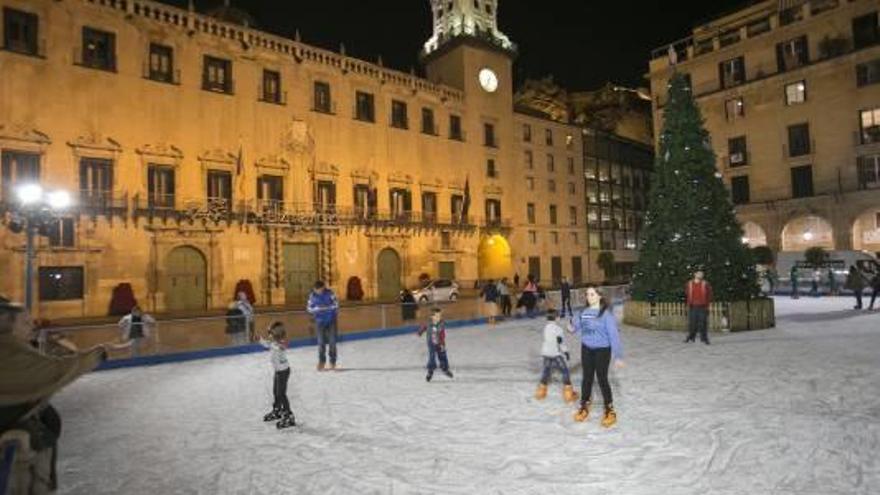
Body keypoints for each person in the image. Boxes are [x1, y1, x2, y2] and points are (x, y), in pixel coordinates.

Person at [1, 296, 106, 492]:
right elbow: (56, 371)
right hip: (17, 435)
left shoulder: (16, 350)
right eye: (25, 323)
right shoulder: (13, 355)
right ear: (8, 326)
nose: (31, 326)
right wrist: (96, 356)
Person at [570, 286, 623, 428]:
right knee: (587, 377)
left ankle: (609, 409)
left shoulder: (606, 315)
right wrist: (572, 327)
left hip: (602, 350)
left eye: (592, 294)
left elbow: (614, 336)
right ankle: (584, 404)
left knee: (601, 378)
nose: (589, 296)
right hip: (586, 348)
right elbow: (578, 325)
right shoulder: (584, 312)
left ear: (599, 296)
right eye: (587, 294)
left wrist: (618, 355)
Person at [535, 309, 577, 403]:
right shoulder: (558, 329)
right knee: (565, 371)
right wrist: (566, 352)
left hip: (546, 353)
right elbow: (561, 342)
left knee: (546, 372)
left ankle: (541, 392)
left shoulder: (546, 328)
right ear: (557, 318)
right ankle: (568, 394)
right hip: (555, 354)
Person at [259, 322, 295, 429]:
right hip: (278, 371)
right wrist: (259, 339)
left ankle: (289, 415)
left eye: (270, 333)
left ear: (276, 334)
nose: (269, 335)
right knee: (276, 392)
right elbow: (267, 344)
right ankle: (277, 410)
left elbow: (283, 346)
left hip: (283, 372)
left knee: (282, 394)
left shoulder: (280, 344)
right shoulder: (273, 342)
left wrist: (278, 343)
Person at [307, 280, 340, 371]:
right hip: (319, 322)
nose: (318, 291)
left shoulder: (330, 293)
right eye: (316, 290)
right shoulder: (312, 296)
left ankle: (332, 362)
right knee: (321, 343)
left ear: (323, 288)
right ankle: (322, 362)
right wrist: (316, 309)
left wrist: (326, 308)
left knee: (332, 342)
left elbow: (336, 304)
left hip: (331, 321)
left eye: (319, 289)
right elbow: (309, 308)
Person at [417, 307, 453, 382]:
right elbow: (423, 327)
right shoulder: (428, 323)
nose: (438, 318)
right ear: (431, 316)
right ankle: (430, 371)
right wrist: (420, 332)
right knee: (432, 357)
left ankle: (445, 369)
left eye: (440, 316)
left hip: (440, 343)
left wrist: (442, 344)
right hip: (431, 343)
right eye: (436, 316)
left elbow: (442, 334)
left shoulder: (441, 323)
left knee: (443, 356)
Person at [685, 270, 713, 345]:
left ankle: (704, 338)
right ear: (695, 274)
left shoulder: (705, 284)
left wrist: (707, 305)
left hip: (702, 306)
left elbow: (709, 295)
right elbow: (687, 294)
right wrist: (689, 304)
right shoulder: (689, 284)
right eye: (699, 273)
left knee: (703, 323)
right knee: (692, 323)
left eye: (702, 274)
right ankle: (691, 337)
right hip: (693, 306)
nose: (701, 275)